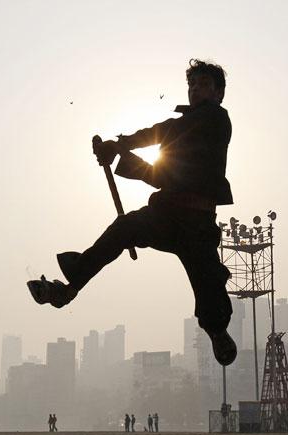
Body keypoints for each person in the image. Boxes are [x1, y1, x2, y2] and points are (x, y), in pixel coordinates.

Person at [26, 59, 237, 366]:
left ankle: (217, 331)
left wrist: (120, 148)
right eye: (192, 85)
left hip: (197, 224)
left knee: (210, 291)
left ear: (219, 93)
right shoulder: (186, 128)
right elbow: (164, 170)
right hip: (166, 214)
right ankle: (67, 290)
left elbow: (165, 136)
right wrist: (120, 151)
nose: (195, 90)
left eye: (204, 84)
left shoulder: (215, 119)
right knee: (125, 227)